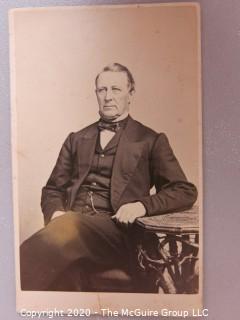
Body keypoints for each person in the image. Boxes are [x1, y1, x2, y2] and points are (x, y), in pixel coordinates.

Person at [20, 63, 197, 291]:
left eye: (116, 89)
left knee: (71, 224)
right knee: (67, 238)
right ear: (96, 94)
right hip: (72, 230)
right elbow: (53, 189)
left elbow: (184, 190)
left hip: (119, 234)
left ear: (130, 93)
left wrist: (141, 206)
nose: (108, 97)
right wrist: (55, 214)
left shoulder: (150, 140)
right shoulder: (77, 139)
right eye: (102, 90)